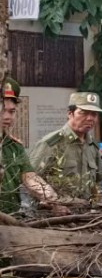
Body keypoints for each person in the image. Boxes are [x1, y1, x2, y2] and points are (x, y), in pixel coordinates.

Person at [30, 90, 102, 206]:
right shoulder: (52, 143)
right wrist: (52, 204)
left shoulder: (91, 146)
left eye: (94, 114)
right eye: (84, 113)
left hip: (86, 217)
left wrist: (98, 203)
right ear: (70, 114)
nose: (90, 118)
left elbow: (97, 182)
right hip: (53, 217)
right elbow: (31, 180)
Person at [0, 78, 63, 215]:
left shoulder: (15, 147)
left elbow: (29, 178)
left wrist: (51, 198)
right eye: (2, 110)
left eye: (11, 111)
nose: (7, 117)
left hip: (11, 220)